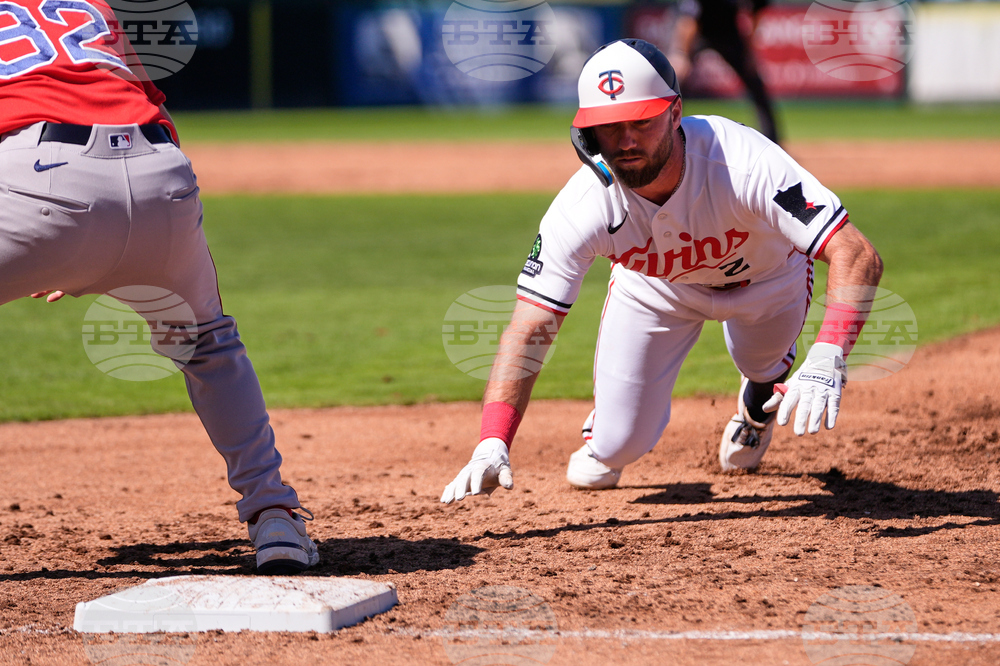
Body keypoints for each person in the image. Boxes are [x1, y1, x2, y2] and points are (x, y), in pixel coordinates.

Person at [441, 38, 882, 503]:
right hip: (655, 291)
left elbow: (856, 252)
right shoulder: (583, 206)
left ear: (675, 113)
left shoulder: (745, 162)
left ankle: (754, 413)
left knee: (764, 367)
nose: (626, 140)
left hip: (768, 282)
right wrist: (493, 438)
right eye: (609, 127)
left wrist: (830, 351)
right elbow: (531, 326)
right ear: (586, 134)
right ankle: (605, 438)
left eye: (642, 121)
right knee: (617, 445)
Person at [0, 1, 317, 573]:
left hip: (37, 177)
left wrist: (45, 240)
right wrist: (89, 248)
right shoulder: (89, 5)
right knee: (208, 343)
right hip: (159, 170)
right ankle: (274, 518)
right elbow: (144, 104)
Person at [668, 0, 781, 144]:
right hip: (697, 32)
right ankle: (668, 137)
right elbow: (688, 20)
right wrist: (681, 54)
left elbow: (756, 13)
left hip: (728, 32)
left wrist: (750, 52)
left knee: (755, 81)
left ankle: (773, 141)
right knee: (674, 81)